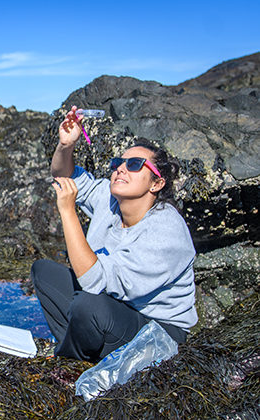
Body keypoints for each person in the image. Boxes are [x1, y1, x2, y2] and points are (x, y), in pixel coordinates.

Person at [32, 106, 197, 362]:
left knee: (88, 305)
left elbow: (94, 282)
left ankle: (70, 360)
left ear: (157, 183)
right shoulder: (109, 198)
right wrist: (66, 145)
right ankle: (78, 348)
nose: (121, 168)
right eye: (118, 163)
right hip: (115, 307)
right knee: (44, 272)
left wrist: (67, 212)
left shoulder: (166, 232)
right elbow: (64, 177)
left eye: (134, 165)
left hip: (160, 332)